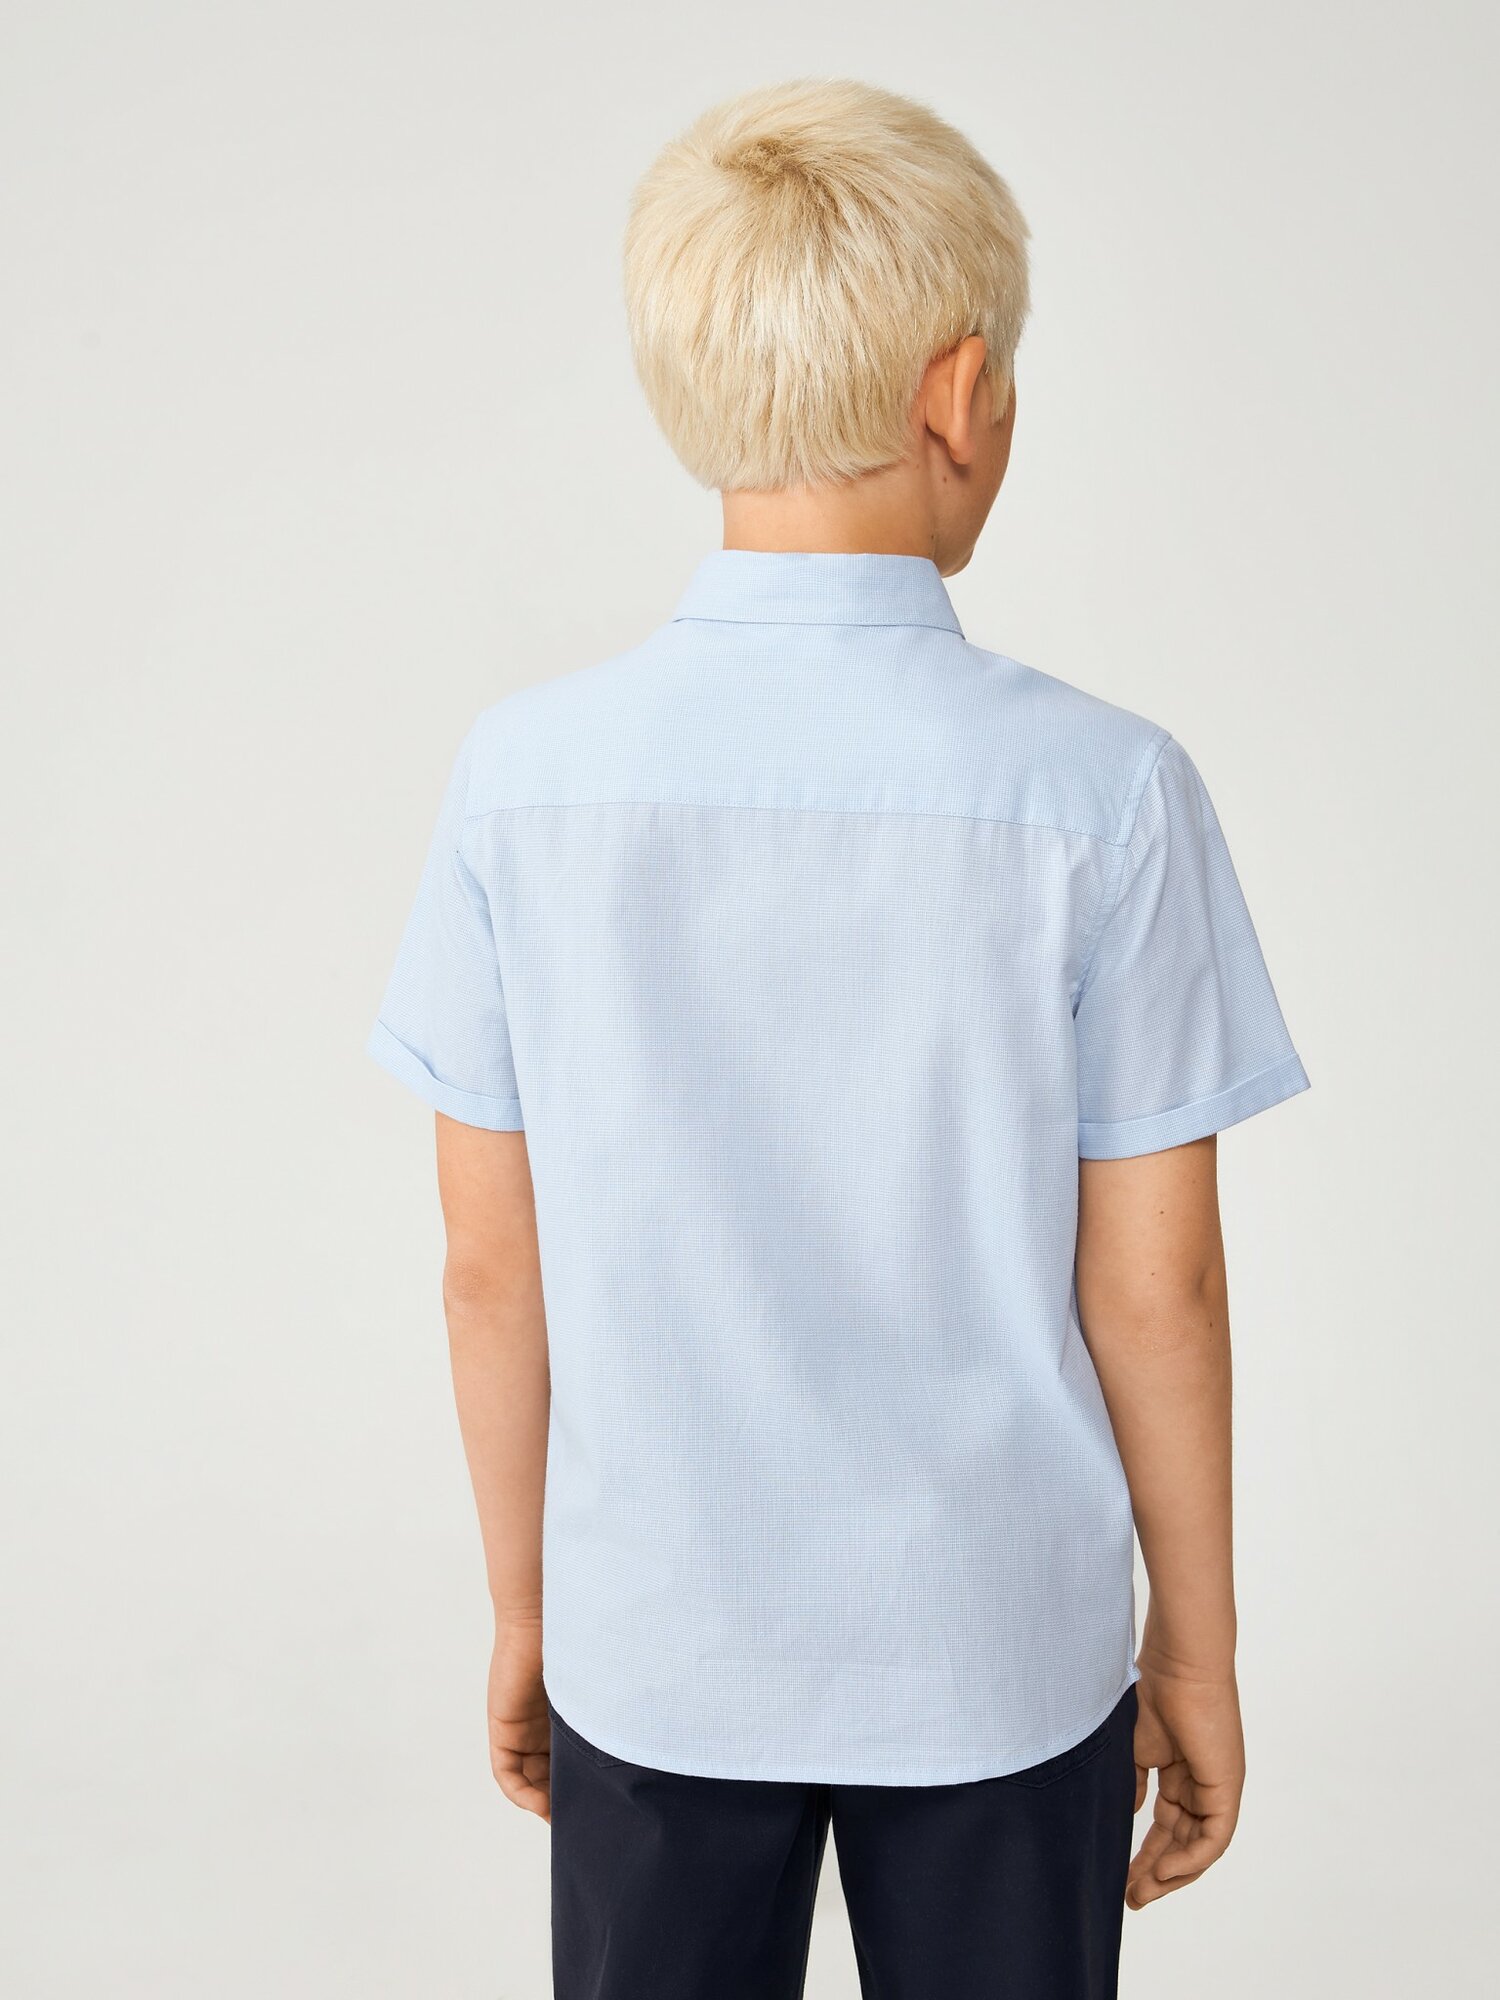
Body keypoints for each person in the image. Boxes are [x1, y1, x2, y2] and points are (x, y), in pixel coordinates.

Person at [367, 77, 1309, 2000]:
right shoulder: (1107, 793)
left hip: (659, 1640)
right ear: (962, 395)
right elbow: (1161, 1289)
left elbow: (487, 1269)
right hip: (998, 1653)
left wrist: (528, 1609)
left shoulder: (522, 784)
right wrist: (1195, 1653)